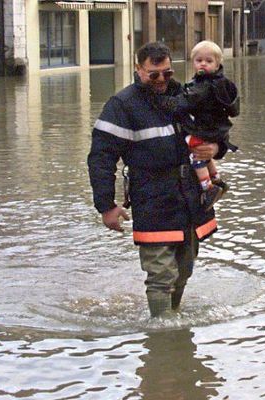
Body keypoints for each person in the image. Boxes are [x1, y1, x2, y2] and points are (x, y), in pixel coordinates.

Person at [87, 42, 227, 317]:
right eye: (154, 74)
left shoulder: (186, 96)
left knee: (184, 269)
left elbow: (216, 126)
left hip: (189, 198)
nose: (162, 80)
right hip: (152, 199)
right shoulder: (123, 106)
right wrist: (106, 206)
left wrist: (216, 148)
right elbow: (101, 158)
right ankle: (162, 331)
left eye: (167, 73)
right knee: (161, 274)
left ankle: (174, 327)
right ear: (138, 70)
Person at [155, 40, 239, 211]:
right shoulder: (221, 82)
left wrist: (162, 102)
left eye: (208, 61)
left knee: (195, 152)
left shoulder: (203, 85)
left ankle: (208, 188)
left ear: (217, 64)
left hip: (205, 129)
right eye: (199, 60)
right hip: (215, 129)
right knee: (204, 151)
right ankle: (215, 177)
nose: (203, 64)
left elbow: (184, 102)